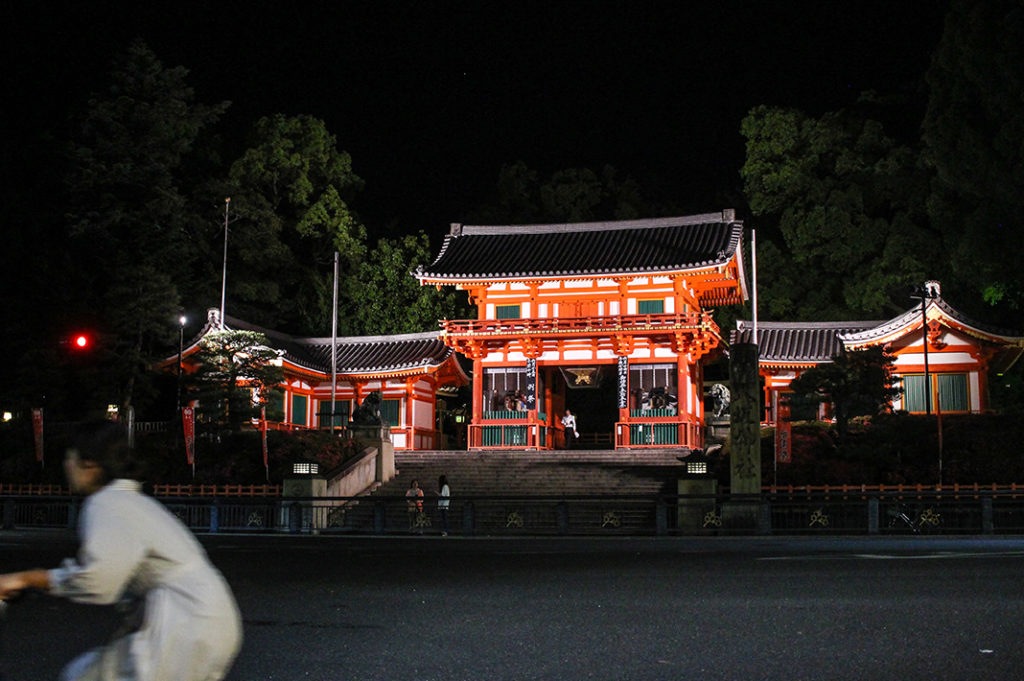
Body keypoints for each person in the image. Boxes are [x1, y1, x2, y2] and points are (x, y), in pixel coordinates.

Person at [0, 421, 242, 681]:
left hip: (183, 621)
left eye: (69, 457)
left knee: (83, 676)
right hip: (208, 617)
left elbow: (99, 580)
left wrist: (28, 578)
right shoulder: (130, 500)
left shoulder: (106, 503)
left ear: (90, 464)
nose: (66, 466)